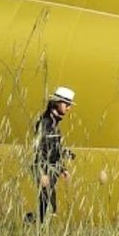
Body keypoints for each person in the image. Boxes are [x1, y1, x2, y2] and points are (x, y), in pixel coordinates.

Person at [34, 86, 75, 223]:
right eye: (66, 104)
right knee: (47, 206)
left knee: (50, 207)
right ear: (56, 102)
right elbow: (38, 150)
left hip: (52, 170)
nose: (68, 108)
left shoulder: (54, 123)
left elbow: (55, 149)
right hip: (45, 170)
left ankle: (36, 226)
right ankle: (30, 224)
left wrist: (63, 169)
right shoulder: (44, 124)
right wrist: (41, 173)